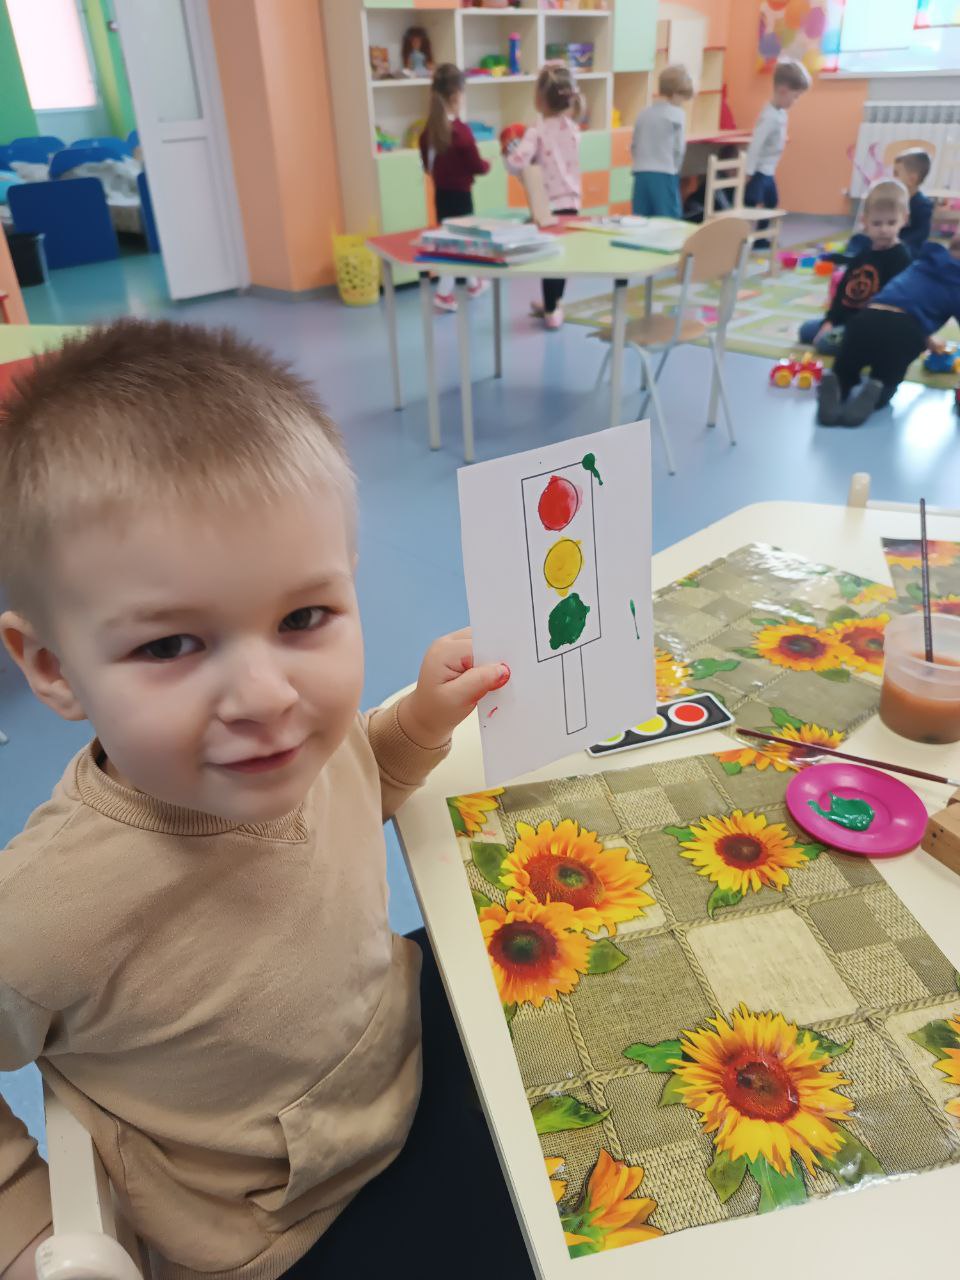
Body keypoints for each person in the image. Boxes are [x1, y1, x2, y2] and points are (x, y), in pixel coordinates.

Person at [0, 320, 524, 1280]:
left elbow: (355, 789)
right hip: (285, 1228)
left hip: (406, 1059)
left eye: (303, 617)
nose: (266, 695)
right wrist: (24, 1222)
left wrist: (417, 723)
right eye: (170, 645)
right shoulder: (48, 910)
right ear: (52, 667)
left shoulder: (289, 747)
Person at [817, 233, 960, 426]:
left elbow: (908, 299)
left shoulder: (922, 264)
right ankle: (878, 389)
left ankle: (838, 384)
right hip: (905, 332)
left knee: (847, 365)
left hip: (866, 318)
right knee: (888, 373)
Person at [504, 64, 583, 330]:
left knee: (550, 258)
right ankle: (555, 302)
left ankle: (551, 309)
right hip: (572, 203)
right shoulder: (573, 128)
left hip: (548, 206)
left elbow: (517, 163)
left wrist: (507, 150)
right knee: (561, 256)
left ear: (539, 99)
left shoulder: (536, 131)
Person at [798, 179, 911, 355]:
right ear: (865, 222)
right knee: (805, 330)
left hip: (872, 327)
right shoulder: (863, 253)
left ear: (904, 219)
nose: (884, 229)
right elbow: (842, 291)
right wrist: (830, 321)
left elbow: (893, 305)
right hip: (847, 319)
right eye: (877, 223)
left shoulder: (901, 257)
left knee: (825, 344)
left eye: (891, 223)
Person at [419, 63, 490, 313]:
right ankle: (443, 293)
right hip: (461, 196)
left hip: (441, 196)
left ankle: (473, 284)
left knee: (454, 241)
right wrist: (487, 165)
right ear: (456, 96)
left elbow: (427, 166)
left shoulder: (428, 132)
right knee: (460, 244)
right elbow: (477, 166)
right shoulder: (461, 132)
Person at [743, 57, 812, 244]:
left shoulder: (780, 113)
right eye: (795, 96)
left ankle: (761, 239)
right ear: (783, 90)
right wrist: (748, 171)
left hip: (769, 170)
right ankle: (745, 237)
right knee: (751, 203)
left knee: (771, 202)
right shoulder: (769, 116)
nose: (795, 101)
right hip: (759, 171)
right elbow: (755, 145)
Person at [630, 64, 693, 219]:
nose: (682, 102)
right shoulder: (677, 114)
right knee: (668, 221)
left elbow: (634, 145)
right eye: (683, 98)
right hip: (664, 172)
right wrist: (676, 169)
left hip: (640, 173)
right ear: (676, 93)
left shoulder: (644, 113)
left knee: (641, 219)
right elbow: (679, 149)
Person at [893, 147, 934, 258]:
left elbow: (921, 233)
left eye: (896, 173)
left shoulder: (922, 205)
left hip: (909, 250)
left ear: (912, 179)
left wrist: (899, 242)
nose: (893, 177)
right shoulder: (895, 200)